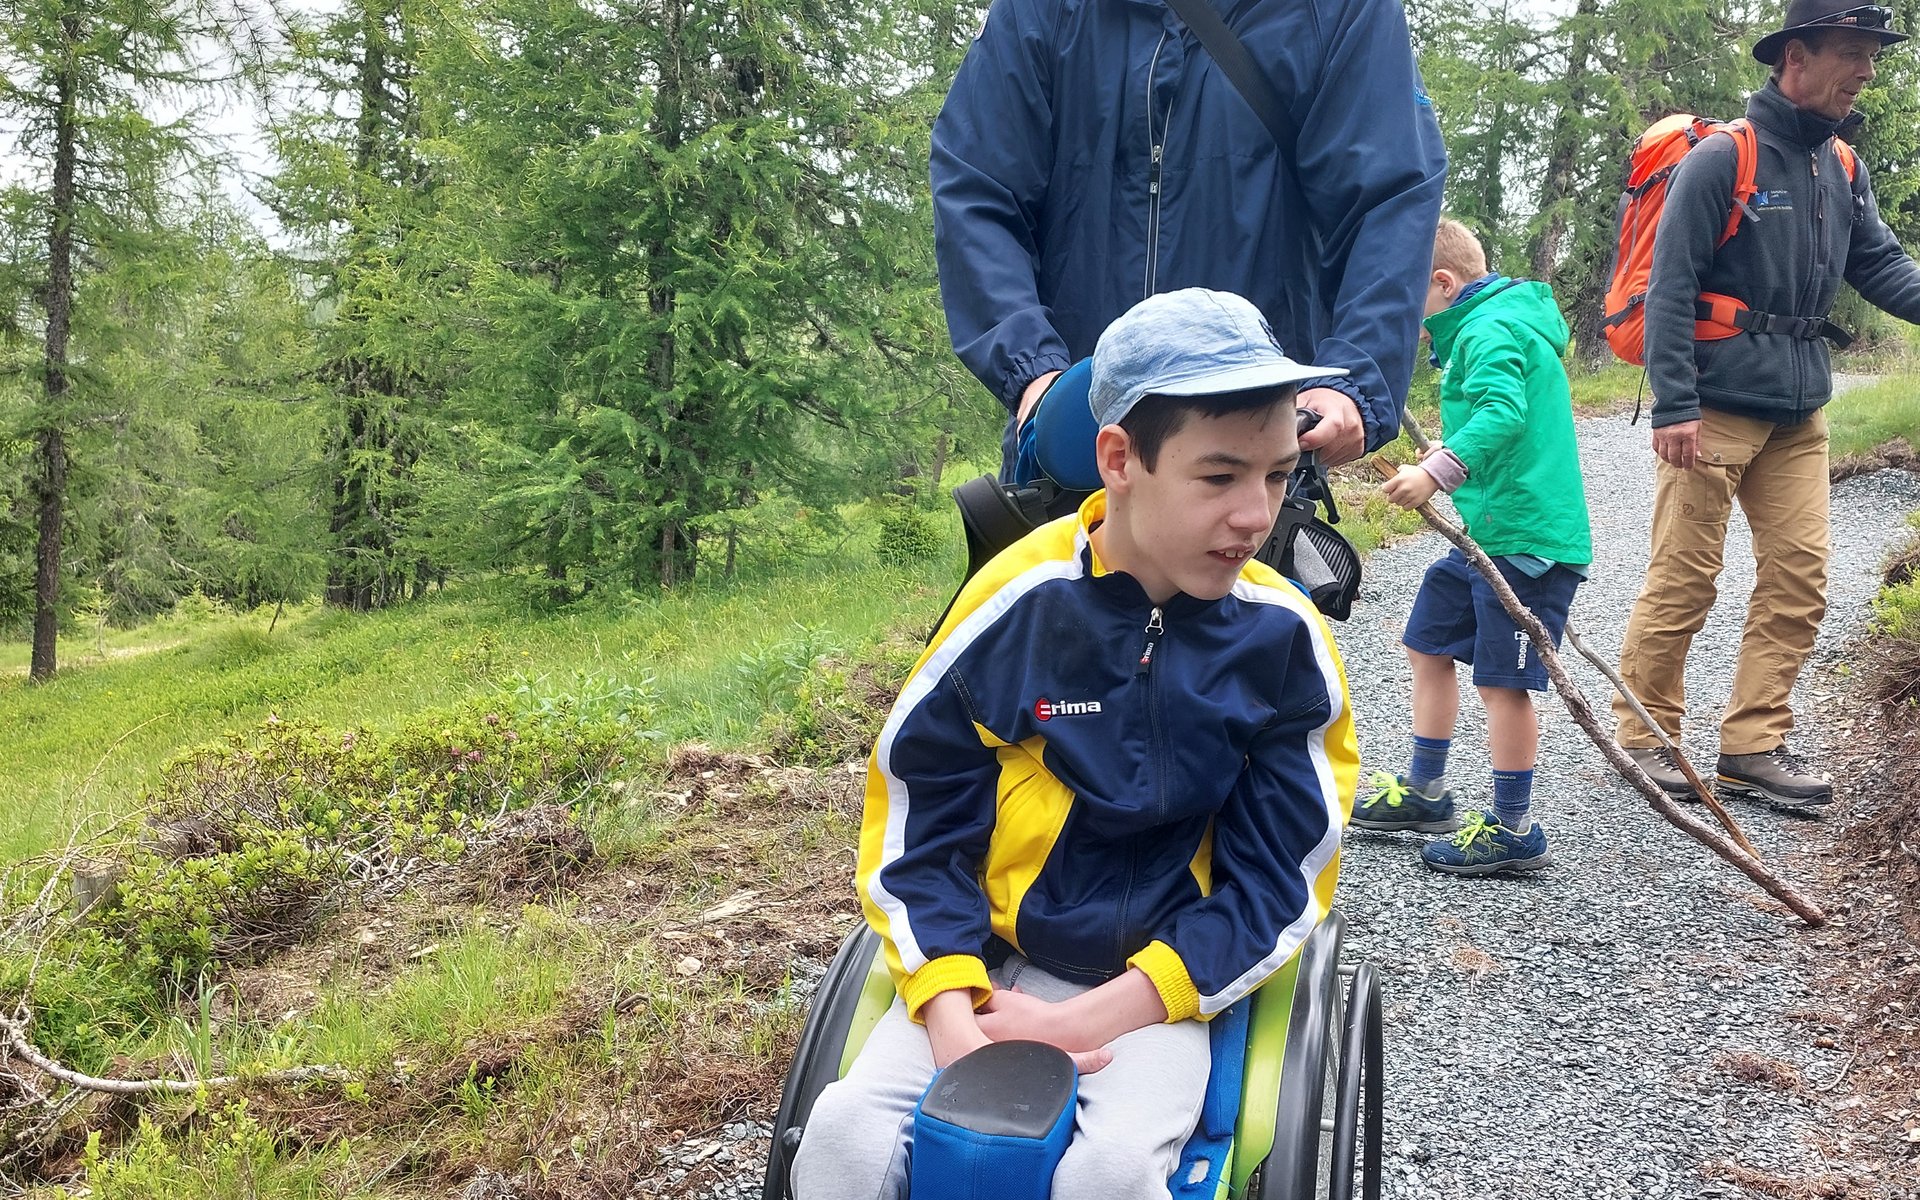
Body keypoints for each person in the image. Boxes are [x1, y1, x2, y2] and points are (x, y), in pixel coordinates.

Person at [789, 289, 1359, 1200]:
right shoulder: (1015, 609)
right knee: (843, 1140)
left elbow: (1278, 878)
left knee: (1111, 1171)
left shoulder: (1284, 644)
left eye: (1279, 475)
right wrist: (947, 1011)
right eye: (1219, 477)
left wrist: (1101, 1012)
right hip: (988, 959)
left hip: (1161, 982)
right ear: (1120, 459)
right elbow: (919, 818)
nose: (1257, 517)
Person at [930, 0, 1446, 481]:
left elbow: (1389, 200)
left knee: (1255, 580)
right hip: (1074, 443)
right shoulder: (1043, 10)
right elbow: (978, 188)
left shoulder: (1340, 11)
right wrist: (1035, 375)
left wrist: (1351, 379)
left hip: (1255, 442)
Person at [1614, 0, 1920, 808]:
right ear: (1796, 57)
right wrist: (1674, 403)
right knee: (1685, 579)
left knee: (1801, 577)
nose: (1867, 70)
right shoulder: (1724, 157)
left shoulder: (1843, 166)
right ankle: (1644, 735)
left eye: (1871, 55)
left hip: (1799, 409)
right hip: (1711, 404)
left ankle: (1752, 743)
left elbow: (1882, 268)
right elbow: (1671, 286)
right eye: (1853, 52)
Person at [1354, 220, 1591, 875]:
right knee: (1427, 642)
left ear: (1443, 283)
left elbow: (1503, 412)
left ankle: (1514, 829)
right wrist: (1453, 456)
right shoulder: (1482, 327)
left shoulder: (1487, 329)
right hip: (1488, 536)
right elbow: (1503, 428)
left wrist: (1437, 469)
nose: (1413, 320)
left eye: (1414, 301)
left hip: (1527, 544)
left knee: (1503, 684)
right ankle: (1428, 791)